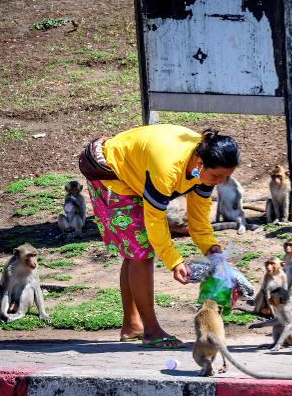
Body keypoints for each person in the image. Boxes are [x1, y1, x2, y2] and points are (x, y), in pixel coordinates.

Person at [85, 124, 240, 348]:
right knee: (142, 253)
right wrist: (173, 261)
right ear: (200, 163)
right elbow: (155, 221)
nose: (220, 182)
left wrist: (209, 245)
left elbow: (198, 216)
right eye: (217, 176)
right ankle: (151, 330)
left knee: (136, 252)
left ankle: (132, 325)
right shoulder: (167, 167)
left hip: (135, 175)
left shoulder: (201, 170)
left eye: (225, 177)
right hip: (111, 173)